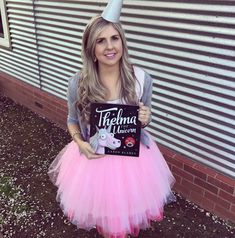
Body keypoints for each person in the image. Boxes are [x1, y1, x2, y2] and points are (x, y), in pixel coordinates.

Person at [48, 1, 175, 237]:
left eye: (114, 38)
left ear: (123, 41)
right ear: (90, 48)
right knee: (104, 216)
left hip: (133, 162)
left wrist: (146, 118)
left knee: (128, 212)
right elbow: (72, 119)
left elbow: (141, 119)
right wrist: (80, 143)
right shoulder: (78, 82)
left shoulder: (141, 78)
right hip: (94, 159)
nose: (110, 47)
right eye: (100, 40)